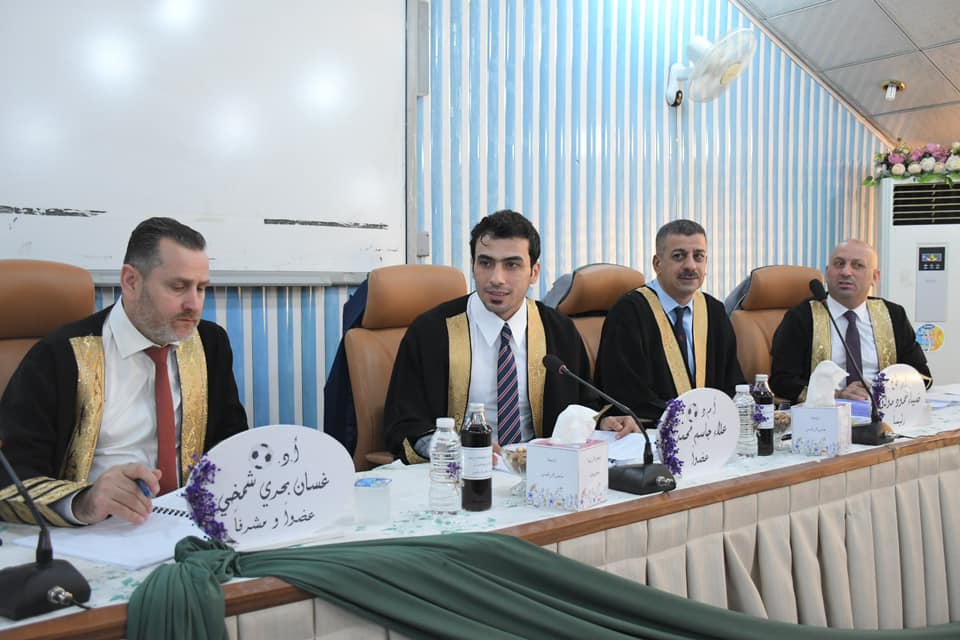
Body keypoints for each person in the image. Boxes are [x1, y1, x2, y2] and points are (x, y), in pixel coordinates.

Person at [0, 217, 249, 527]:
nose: (194, 304)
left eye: (201, 288)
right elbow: (10, 476)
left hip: (189, 526)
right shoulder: (59, 356)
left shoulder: (210, 344)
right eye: (178, 287)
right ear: (131, 281)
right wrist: (83, 501)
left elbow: (231, 444)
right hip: (96, 533)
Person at [383, 210, 633, 463]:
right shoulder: (431, 332)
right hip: (461, 472)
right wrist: (453, 448)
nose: (496, 279)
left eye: (512, 265)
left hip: (543, 470)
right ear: (473, 266)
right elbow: (405, 423)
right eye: (485, 263)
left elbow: (583, 404)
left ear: (534, 272)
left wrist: (603, 421)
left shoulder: (559, 330)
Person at [594, 219, 745, 421]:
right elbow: (626, 394)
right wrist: (687, 418)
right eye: (678, 256)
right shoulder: (629, 313)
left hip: (712, 430)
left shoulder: (714, 311)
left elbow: (732, 384)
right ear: (658, 264)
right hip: (650, 429)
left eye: (698, 256)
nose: (690, 265)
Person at [770, 239, 931, 403]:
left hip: (884, 408)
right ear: (827, 272)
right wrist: (837, 395)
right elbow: (781, 381)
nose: (846, 272)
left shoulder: (893, 315)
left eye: (857, 265)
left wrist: (882, 390)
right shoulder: (801, 317)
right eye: (839, 264)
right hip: (826, 411)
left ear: (875, 277)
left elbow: (921, 375)